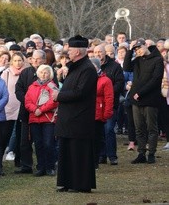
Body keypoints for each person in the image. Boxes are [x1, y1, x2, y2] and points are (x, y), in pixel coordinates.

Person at [53, 35, 97, 193]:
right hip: (69, 118)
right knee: (66, 152)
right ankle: (67, 182)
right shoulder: (75, 66)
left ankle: (80, 184)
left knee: (78, 153)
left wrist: (59, 96)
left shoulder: (87, 69)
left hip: (79, 119)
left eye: (69, 50)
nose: (67, 53)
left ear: (78, 51)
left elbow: (80, 92)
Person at [123, 38, 164, 164]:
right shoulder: (138, 60)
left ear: (145, 46)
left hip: (150, 99)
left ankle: (151, 152)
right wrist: (130, 51)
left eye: (139, 48)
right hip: (136, 100)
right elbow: (126, 67)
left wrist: (140, 93)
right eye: (136, 49)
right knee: (139, 128)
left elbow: (155, 80)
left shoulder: (157, 60)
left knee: (151, 128)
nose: (138, 51)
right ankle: (141, 152)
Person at [14, 50, 47, 174]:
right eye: (34, 58)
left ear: (44, 60)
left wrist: (40, 107)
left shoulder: (48, 72)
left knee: (42, 141)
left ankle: (43, 165)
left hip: (43, 113)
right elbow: (18, 90)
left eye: (39, 59)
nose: (36, 61)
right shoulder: (25, 72)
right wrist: (29, 104)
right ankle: (26, 165)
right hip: (27, 112)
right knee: (25, 141)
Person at [24, 65, 58, 177]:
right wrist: (35, 109)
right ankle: (41, 167)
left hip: (48, 119)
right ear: (38, 73)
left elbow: (54, 101)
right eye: (42, 72)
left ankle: (50, 167)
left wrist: (41, 110)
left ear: (50, 74)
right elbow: (27, 101)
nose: (44, 74)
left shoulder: (52, 86)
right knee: (38, 144)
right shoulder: (32, 87)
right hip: (34, 119)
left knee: (48, 143)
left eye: (46, 72)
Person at [93, 44, 124, 166]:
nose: (98, 54)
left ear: (105, 53)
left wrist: (108, 90)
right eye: (95, 52)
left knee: (109, 129)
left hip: (110, 103)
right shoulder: (91, 67)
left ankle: (112, 156)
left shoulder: (115, 67)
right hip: (95, 106)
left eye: (100, 52)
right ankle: (101, 155)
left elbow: (120, 83)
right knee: (98, 131)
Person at [2, 52, 27, 165]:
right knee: (6, 133)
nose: (18, 63)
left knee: (19, 134)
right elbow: (2, 90)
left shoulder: (27, 72)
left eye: (20, 60)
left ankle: (18, 159)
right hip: (9, 106)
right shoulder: (6, 73)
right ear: (12, 61)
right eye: (15, 60)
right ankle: (0, 158)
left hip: (22, 106)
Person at [90, 58, 114, 169]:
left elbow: (109, 98)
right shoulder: (87, 79)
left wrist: (106, 113)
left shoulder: (105, 80)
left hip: (99, 112)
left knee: (97, 138)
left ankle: (95, 161)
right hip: (87, 112)